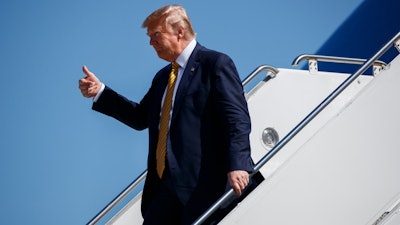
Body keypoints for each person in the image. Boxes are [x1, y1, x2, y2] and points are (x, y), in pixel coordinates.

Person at [79, 4, 259, 225]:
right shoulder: (163, 77)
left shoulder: (215, 63)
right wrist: (101, 92)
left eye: (156, 35)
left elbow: (236, 119)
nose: (151, 43)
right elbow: (139, 117)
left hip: (204, 184)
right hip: (165, 189)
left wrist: (239, 164)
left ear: (179, 31)